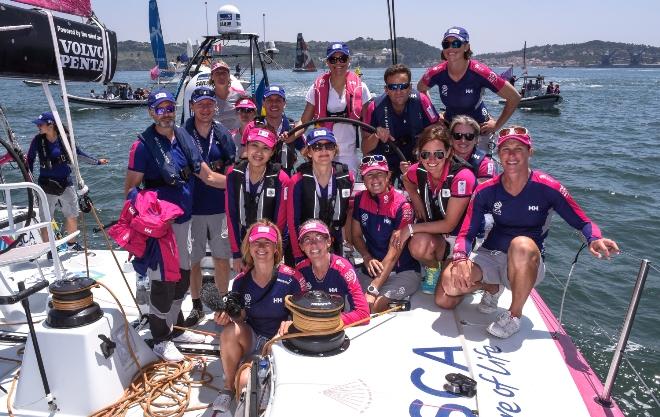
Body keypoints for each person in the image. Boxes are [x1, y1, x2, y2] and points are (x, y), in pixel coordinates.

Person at [443, 126, 619, 338]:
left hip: (526, 261)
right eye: (505, 149)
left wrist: (594, 239)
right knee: (450, 284)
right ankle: (492, 288)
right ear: (499, 154)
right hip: (491, 254)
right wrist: (460, 258)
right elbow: (466, 233)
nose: (511, 155)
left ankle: (514, 315)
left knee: (521, 244)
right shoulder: (485, 190)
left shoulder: (548, 187)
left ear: (530, 152)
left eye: (518, 148)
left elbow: (582, 221)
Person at [124, 90, 227, 362]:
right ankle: (160, 339)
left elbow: (205, 175)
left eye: (170, 108)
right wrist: (150, 217)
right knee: (162, 281)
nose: (166, 113)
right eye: (160, 109)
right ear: (150, 112)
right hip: (160, 227)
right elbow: (131, 191)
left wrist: (242, 182)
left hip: (184, 220)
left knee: (181, 275)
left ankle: (176, 326)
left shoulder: (183, 137)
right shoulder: (143, 146)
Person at [213, 220, 307, 413]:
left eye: (268, 242)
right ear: (249, 246)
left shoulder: (293, 278)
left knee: (264, 390)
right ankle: (228, 388)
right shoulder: (240, 282)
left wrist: (292, 323)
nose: (261, 247)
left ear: (276, 247)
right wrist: (227, 317)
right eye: (256, 242)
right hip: (254, 339)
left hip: (282, 342)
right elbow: (240, 318)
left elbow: (303, 317)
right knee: (243, 377)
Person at [395, 125, 476, 294]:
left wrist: (409, 229)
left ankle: (491, 287)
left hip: (459, 240)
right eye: (425, 154)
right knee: (417, 245)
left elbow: (449, 225)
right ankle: (434, 267)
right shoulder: (418, 170)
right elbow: (406, 178)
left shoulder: (462, 177)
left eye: (438, 154)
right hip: (436, 236)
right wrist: (415, 198)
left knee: (445, 299)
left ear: (448, 152)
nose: (431, 160)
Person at [182, 86, 236, 327]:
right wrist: (239, 185)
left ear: (216, 106)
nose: (205, 109)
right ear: (191, 106)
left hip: (218, 208)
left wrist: (234, 184)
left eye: (209, 104)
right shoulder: (181, 134)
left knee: (222, 259)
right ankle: (195, 306)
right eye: (200, 104)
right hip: (190, 209)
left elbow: (232, 168)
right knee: (192, 261)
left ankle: (221, 305)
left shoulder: (223, 134)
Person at [417, 26, 520, 150]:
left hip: (479, 131)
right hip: (451, 130)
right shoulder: (436, 72)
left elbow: (514, 97)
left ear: (466, 47)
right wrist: (434, 116)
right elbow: (421, 90)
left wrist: (497, 125)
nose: (451, 48)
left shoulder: (481, 72)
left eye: (456, 43)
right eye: (446, 44)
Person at [26, 111, 108, 252]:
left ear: (51, 125)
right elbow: (30, 160)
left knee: (72, 215)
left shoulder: (65, 139)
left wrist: (97, 162)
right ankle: (49, 250)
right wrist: (29, 179)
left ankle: (72, 244)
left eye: (40, 124)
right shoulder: (37, 141)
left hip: (66, 184)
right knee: (46, 220)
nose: (38, 127)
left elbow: (78, 155)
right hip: (46, 186)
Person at [351, 156, 420, 313]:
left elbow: (394, 254)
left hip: (402, 271)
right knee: (352, 300)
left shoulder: (403, 205)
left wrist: (372, 289)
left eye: (379, 174)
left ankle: (397, 301)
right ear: (363, 178)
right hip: (371, 269)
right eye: (369, 174)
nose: (375, 179)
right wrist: (367, 257)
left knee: (371, 307)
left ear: (388, 175)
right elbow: (355, 235)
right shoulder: (359, 198)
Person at [301, 42, 371, 174]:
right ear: (327, 62)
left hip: (348, 155)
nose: (338, 63)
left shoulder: (362, 89)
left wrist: (367, 157)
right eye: (333, 59)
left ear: (349, 61)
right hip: (322, 152)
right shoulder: (316, 89)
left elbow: (367, 127)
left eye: (342, 58)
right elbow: (304, 121)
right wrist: (289, 135)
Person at [226, 127, 289, 272]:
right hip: (245, 245)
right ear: (247, 146)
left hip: (270, 246)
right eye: (254, 145)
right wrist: (236, 254)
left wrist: (276, 253)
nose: (259, 153)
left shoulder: (281, 178)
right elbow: (231, 215)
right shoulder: (233, 174)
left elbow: (281, 222)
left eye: (265, 148)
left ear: (272, 152)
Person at [287, 128, 354, 263]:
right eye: (317, 147)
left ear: (335, 150)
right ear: (309, 152)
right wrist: (298, 255)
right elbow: (292, 222)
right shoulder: (297, 181)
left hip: (332, 244)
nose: (323, 151)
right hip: (303, 246)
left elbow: (349, 214)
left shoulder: (347, 178)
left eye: (329, 146)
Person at [362, 63, 439, 181]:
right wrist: (376, 136)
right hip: (385, 161)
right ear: (386, 89)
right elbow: (365, 149)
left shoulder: (422, 100)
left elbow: (437, 131)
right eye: (393, 87)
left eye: (403, 86)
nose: (398, 91)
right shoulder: (374, 107)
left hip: (415, 158)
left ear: (410, 87)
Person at [295, 219, 369, 326]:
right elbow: (296, 310)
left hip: (334, 327)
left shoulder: (343, 268)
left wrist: (325, 323)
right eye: (307, 239)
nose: (313, 243)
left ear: (328, 241)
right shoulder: (300, 270)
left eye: (319, 238)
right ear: (301, 246)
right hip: (311, 329)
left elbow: (363, 314)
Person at [241, 86, 303, 175]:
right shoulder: (252, 127)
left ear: (284, 103)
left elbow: (307, 153)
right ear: (263, 103)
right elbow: (244, 154)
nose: (274, 104)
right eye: (269, 100)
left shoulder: (293, 128)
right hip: (259, 179)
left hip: (285, 181)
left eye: (278, 100)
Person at [449, 115, 496, 183]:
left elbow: (484, 192)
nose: (463, 140)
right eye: (457, 136)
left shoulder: (484, 164)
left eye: (469, 136)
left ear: (476, 140)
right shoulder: (440, 159)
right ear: (451, 139)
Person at [210, 60, 246, 131]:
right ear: (212, 77)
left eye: (224, 73)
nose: (221, 76)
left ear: (229, 76)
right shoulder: (208, 99)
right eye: (217, 73)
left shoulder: (240, 96)